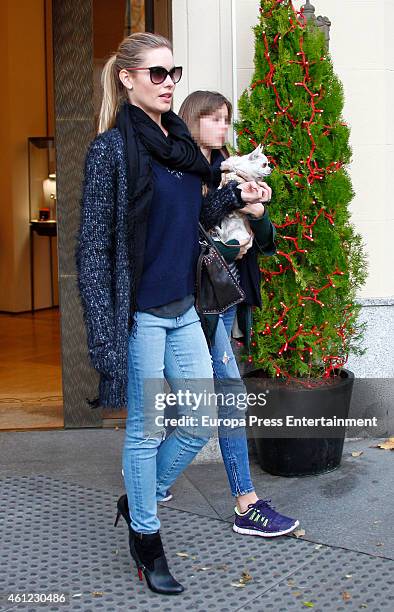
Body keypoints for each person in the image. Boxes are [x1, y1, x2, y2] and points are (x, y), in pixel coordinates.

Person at [76, 34, 267, 595]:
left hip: (184, 308)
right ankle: (146, 536)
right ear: (127, 79)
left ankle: (138, 497)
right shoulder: (110, 151)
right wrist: (105, 336)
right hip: (140, 316)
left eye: (172, 73)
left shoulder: (182, 147)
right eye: (155, 73)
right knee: (146, 431)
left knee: (197, 424)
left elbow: (194, 216)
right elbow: (93, 250)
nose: (167, 83)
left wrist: (233, 195)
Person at [176, 90, 300, 538]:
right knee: (223, 395)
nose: (223, 127)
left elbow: (264, 241)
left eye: (227, 119)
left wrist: (258, 211)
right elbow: (186, 234)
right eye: (213, 119)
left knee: (207, 396)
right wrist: (230, 228)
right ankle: (245, 504)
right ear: (191, 120)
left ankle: (152, 482)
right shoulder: (188, 173)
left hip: (229, 301)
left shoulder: (234, 168)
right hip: (195, 302)